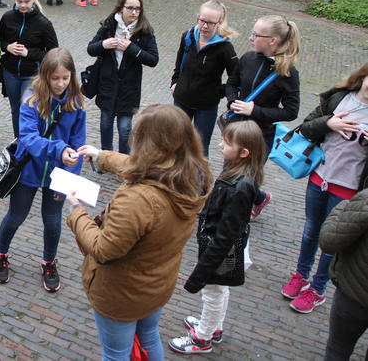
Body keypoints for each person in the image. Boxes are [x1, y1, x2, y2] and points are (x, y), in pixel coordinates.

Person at [67, 104, 212, 361]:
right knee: (149, 336)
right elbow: (142, 167)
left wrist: (77, 211)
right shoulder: (190, 177)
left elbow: (102, 250)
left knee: (116, 354)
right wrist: (101, 156)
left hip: (122, 293)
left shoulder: (139, 200)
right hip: (155, 287)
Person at [168, 121, 265, 354]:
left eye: (227, 142)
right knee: (219, 290)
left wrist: (200, 272)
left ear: (244, 152)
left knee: (212, 292)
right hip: (222, 244)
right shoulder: (238, 172)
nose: (220, 144)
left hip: (220, 247)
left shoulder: (240, 186)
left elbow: (226, 234)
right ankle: (214, 327)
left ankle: (203, 338)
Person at [0, 47, 86, 292]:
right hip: (28, 172)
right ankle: (0, 253)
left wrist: (69, 182)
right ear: (44, 75)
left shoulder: (76, 103)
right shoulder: (31, 99)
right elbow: (28, 138)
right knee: (16, 216)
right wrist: (58, 150)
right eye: (55, 78)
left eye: (65, 78)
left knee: (53, 222)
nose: (60, 83)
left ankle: (49, 261)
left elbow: (78, 146)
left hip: (57, 175)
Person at [280, 63, 368, 314]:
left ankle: (317, 289)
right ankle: (301, 275)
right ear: (363, 77)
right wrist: (329, 123)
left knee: (332, 240)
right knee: (310, 231)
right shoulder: (339, 99)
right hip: (320, 176)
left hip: (350, 186)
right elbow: (306, 127)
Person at [225, 15, 301, 217]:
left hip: (260, 135)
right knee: (229, 171)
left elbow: (291, 111)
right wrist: (233, 101)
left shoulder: (288, 72)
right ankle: (248, 200)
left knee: (245, 178)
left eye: (256, 34)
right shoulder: (248, 58)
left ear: (273, 40)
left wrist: (254, 111)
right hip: (236, 129)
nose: (251, 37)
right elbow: (232, 84)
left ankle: (236, 216)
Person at [87, 0, 158, 154]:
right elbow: (91, 48)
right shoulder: (108, 25)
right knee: (105, 124)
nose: (134, 12)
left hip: (129, 89)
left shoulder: (145, 31)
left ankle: (123, 161)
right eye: (130, 8)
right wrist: (104, 44)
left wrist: (133, 49)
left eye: (138, 9)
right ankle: (106, 157)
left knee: (125, 128)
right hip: (107, 85)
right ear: (121, 8)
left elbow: (153, 59)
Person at [170, 0, 239, 156]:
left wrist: (219, 91)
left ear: (219, 23)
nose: (205, 26)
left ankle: (198, 179)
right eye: (202, 21)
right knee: (175, 143)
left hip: (206, 106)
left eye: (210, 23)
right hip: (182, 100)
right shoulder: (187, 36)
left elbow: (236, 76)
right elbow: (179, 61)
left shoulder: (225, 47)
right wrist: (175, 82)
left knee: (199, 148)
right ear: (198, 18)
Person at [0, 0, 59, 138]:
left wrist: (29, 53)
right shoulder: (7, 18)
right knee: (16, 109)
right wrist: (8, 47)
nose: (23, 5)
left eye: (26, 1)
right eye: (19, 2)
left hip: (32, 74)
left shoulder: (44, 23)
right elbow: (0, 42)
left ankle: (33, 144)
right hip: (10, 72)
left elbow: (53, 53)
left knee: (30, 110)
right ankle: (18, 143)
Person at [320, 188, 368, 360]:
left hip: (355, 295)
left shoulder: (365, 200)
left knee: (338, 349)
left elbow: (329, 240)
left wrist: (343, 206)